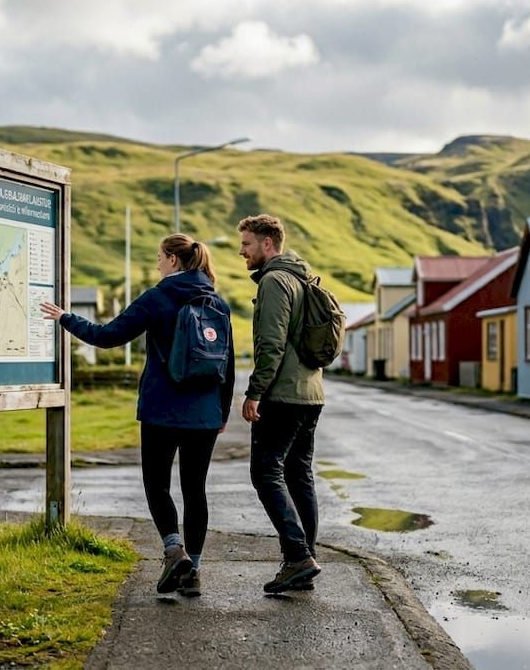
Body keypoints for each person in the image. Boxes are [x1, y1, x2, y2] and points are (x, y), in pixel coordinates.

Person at [39, 233, 235, 597]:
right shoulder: (218, 303)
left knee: (157, 484)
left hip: (162, 409)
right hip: (205, 413)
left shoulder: (158, 297)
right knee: (195, 490)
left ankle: (174, 551)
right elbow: (229, 363)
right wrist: (222, 411)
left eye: (160, 257)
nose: (158, 263)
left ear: (173, 261)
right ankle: (193, 569)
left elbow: (108, 335)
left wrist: (65, 318)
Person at [236, 214, 325, 594]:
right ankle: (304, 559)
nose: (242, 251)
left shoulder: (275, 281)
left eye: (247, 244)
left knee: (265, 472)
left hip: (284, 395)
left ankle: (297, 557)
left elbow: (270, 345)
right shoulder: (302, 278)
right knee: (298, 474)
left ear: (268, 244)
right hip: (311, 393)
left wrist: (254, 392)